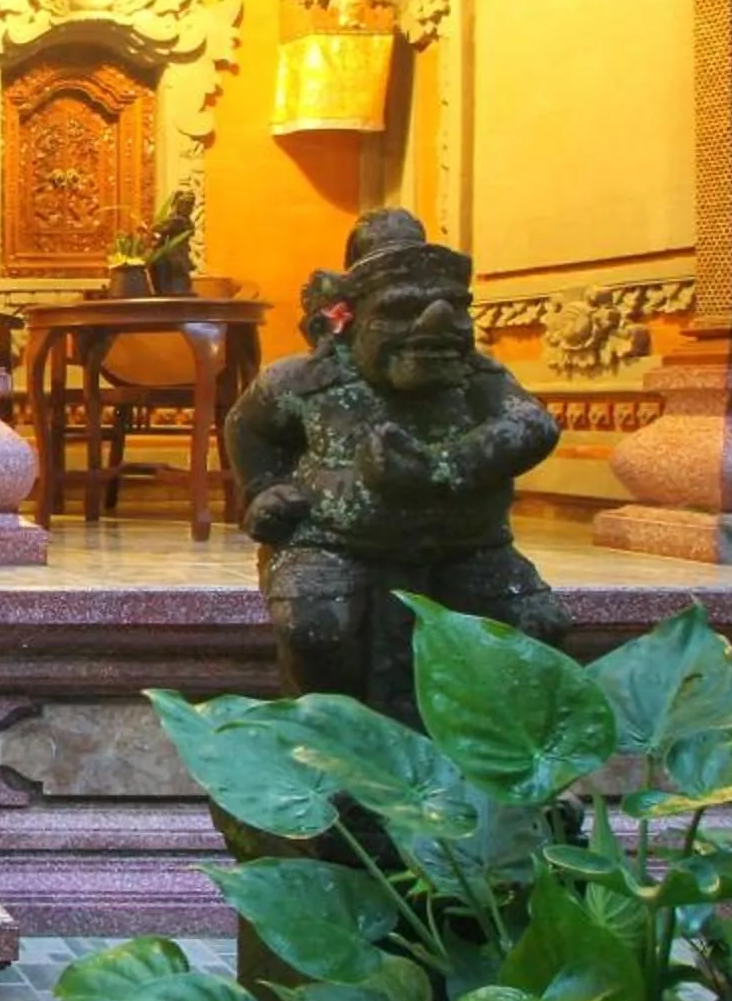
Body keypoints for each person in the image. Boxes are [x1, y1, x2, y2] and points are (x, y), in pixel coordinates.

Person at [224, 209, 567, 720]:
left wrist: (439, 466)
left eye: (454, 306)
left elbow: (533, 426)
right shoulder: (303, 381)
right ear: (351, 317)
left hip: (466, 547)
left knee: (535, 622)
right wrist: (263, 488)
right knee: (315, 627)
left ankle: (498, 765)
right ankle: (333, 741)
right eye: (402, 310)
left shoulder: (475, 377)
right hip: (333, 544)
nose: (436, 323)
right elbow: (246, 425)